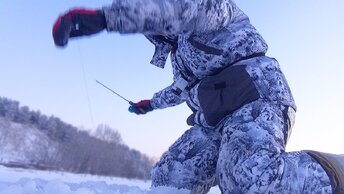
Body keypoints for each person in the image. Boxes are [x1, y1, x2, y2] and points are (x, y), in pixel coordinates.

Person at [53, 0, 344, 193]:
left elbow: (183, 10)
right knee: (170, 177)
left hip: (255, 99)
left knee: (247, 180)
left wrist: (108, 18)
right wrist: (149, 104)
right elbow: (179, 89)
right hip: (213, 121)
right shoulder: (181, 56)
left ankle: (335, 171)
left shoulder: (208, 11)